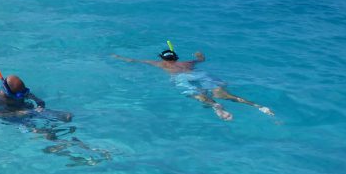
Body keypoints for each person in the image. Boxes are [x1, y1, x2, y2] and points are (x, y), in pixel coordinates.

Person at [112, 45, 274, 121]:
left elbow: (135, 60)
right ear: (176, 57)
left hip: (181, 78)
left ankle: (216, 107)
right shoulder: (188, 63)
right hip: (198, 74)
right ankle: (258, 106)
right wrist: (199, 55)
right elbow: (201, 59)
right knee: (223, 94)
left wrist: (119, 57)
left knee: (199, 95)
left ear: (163, 59)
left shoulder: (160, 64)